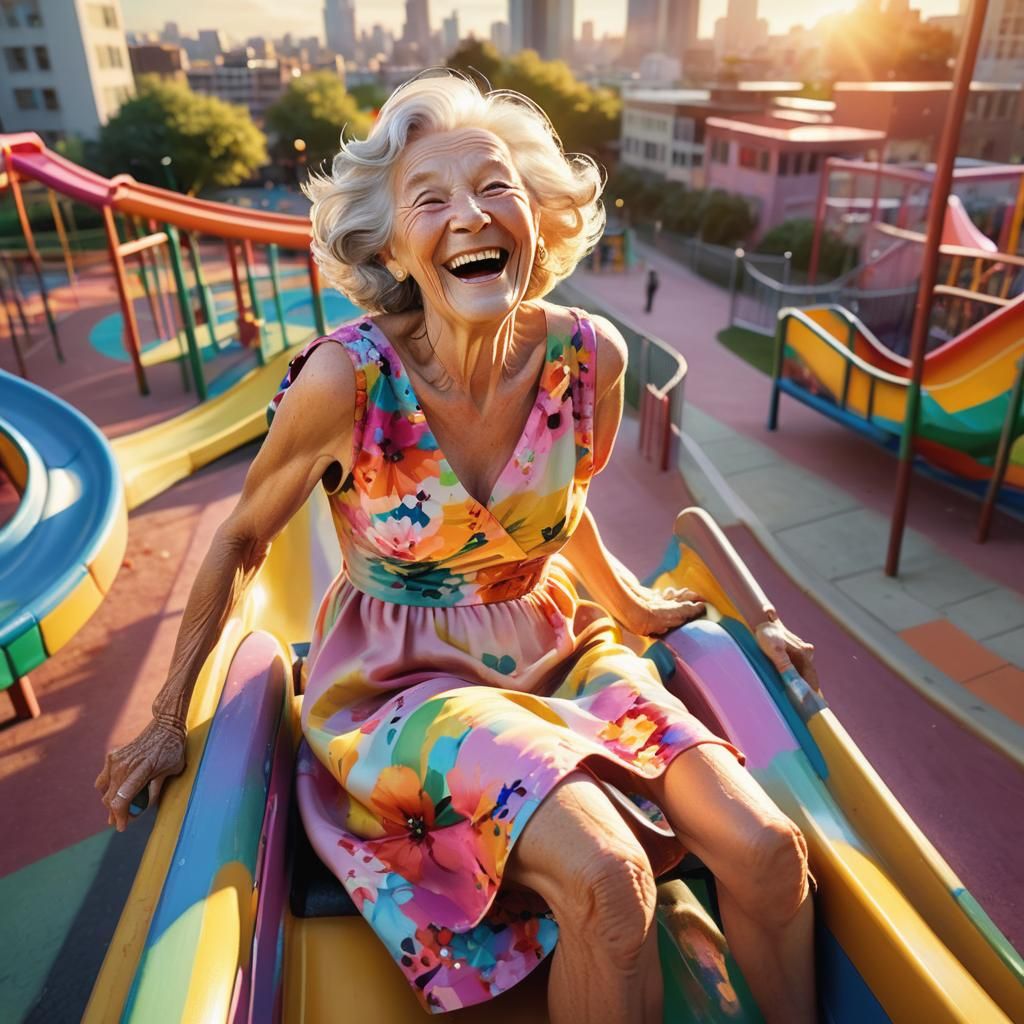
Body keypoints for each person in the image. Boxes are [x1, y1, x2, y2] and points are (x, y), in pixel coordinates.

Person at [96, 70, 816, 1023]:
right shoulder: (343, 382)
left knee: (768, 850)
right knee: (610, 882)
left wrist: (633, 608)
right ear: (393, 244)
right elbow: (236, 540)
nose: (470, 215)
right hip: (404, 684)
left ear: (538, 220)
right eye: (430, 199)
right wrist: (161, 716)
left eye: (495, 187)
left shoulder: (589, 357)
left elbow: (554, 511)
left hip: (559, 653)